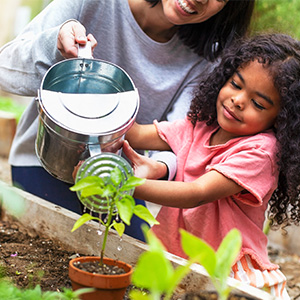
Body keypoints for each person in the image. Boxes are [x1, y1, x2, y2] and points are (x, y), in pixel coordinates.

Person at [0, 0, 255, 240]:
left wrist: (159, 168)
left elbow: (182, 138)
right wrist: (54, 45)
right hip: (45, 163)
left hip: (120, 180)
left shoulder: (204, 59)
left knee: (139, 268)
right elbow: (5, 70)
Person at [123, 33, 300, 299]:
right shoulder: (201, 126)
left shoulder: (261, 151)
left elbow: (196, 193)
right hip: (180, 258)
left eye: (258, 103)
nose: (238, 100)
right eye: (235, 84)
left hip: (231, 269)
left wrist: (126, 186)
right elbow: (135, 134)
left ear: (280, 120)